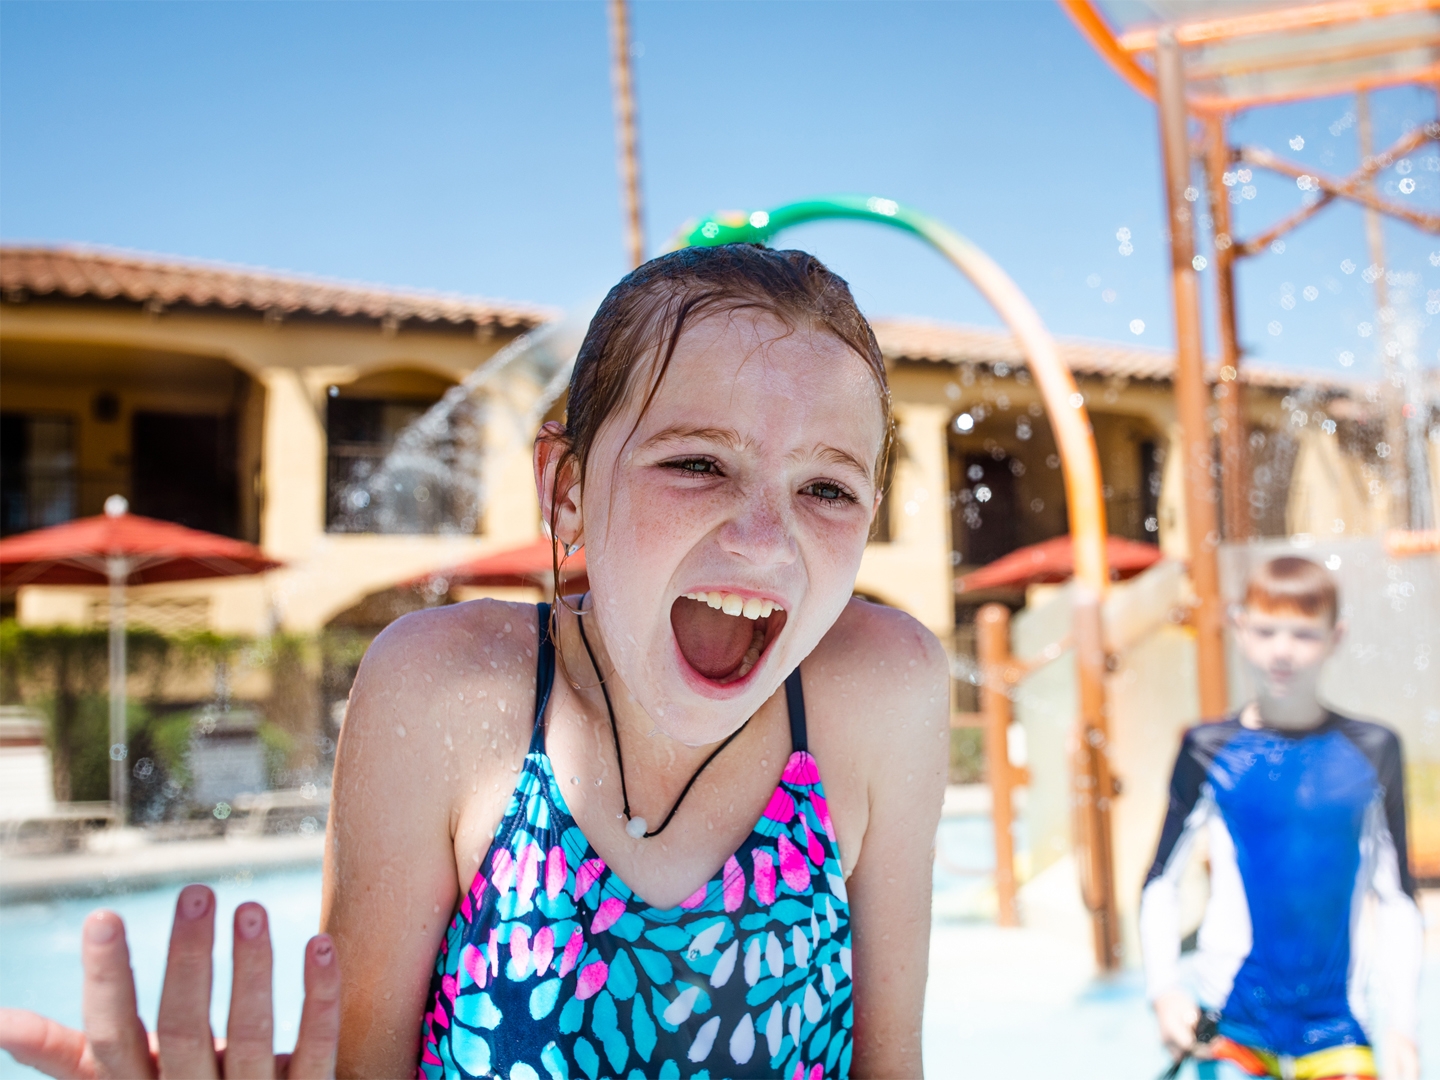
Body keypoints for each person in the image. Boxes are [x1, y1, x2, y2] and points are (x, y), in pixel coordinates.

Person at [0, 244, 949, 1079]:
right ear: (566, 490)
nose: (766, 542)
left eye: (827, 487)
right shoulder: (448, 691)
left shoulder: (877, 695)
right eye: (698, 463)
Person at [1140, 556, 1423, 1080]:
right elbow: (1161, 882)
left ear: (1336, 637)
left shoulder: (1373, 750)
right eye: (1266, 631)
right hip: (1231, 1022)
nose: (1283, 651)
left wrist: (1401, 1025)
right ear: (1239, 628)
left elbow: (1399, 897)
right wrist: (1164, 990)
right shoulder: (1207, 749)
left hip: (1338, 1024)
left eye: (1304, 635)